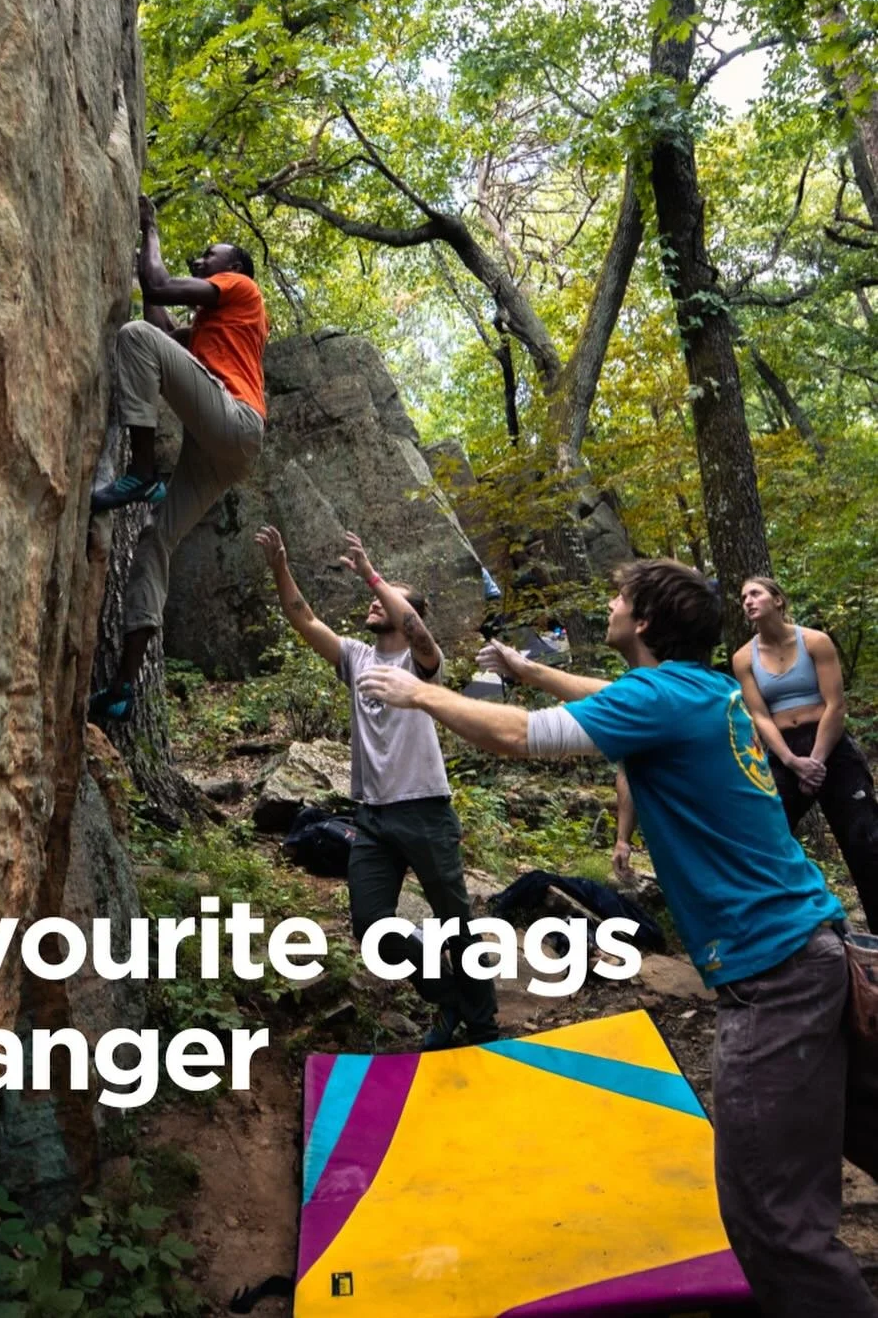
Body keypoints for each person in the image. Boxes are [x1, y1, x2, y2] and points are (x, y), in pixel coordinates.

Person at [358, 558, 878, 1318]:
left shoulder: (663, 698)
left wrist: (419, 691)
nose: (606, 603)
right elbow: (607, 698)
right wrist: (527, 669)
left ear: (640, 621)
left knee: (770, 1218)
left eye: (615, 597)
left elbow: (516, 737)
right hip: (813, 955)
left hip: (773, 980)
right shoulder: (700, 691)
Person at [254, 523, 499, 1049]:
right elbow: (304, 618)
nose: (372, 605)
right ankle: (448, 993)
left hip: (425, 809)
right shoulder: (358, 658)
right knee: (370, 924)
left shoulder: (421, 662)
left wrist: (371, 573)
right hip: (371, 815)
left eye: (383, 601)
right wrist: (280, 567)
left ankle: (483, 1026)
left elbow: (418, 629)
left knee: (455, 922)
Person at [90, 197, 268, 722]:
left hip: (234, 419)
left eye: (209, 255)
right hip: (225, 451)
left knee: (132, 338)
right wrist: (146, 272)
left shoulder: (242, 289)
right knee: (154, 540)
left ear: (232, 268)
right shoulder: (215, 326)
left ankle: (142, 472)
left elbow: (159, 294)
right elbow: (162, 324)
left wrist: (150, 230)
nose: (202, 260)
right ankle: (124, 686)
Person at [734, 575, 878, 932]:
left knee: (866, 840)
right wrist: (792, 762)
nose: (748, 601)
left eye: (756, 593)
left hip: (830, 745)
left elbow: (835, 704)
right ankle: (788, 930)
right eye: (743, 597)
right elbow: (760, 717)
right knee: (767, 837)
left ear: (778, 600)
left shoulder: (815, 641)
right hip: (784, 753)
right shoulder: (743, 658)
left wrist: (816, 758)